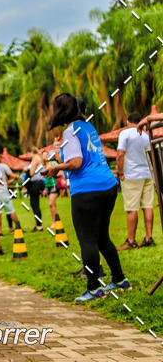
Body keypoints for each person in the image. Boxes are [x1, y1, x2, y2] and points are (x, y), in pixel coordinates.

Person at [46, 93, 130, 303]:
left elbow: (76, 162)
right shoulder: (88, 127)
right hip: (108, 186)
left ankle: (93, 288)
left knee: (88, 241)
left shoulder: (70, 131)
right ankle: (119, 279)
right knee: (102, 238)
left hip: (87, 190)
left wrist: (57, 168)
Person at [117, 112, 155, 250]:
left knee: (132, 208)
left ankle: (131, 241)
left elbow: (120, 154)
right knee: (148, 206)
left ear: (128, 122)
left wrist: (120, 172)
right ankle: (148, 237)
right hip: (147, 173)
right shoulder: (145, 135)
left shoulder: (125, 134)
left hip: (131, 175)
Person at [0, 160, 19, 234]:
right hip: (4, 192)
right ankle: (18, 227)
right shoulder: (3, 166)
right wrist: (17, 176)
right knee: (11, 210)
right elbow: (11, 175)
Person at [26, 147, 45, 232]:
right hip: (40, 182)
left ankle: (39, 226)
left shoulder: (35, 158)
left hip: (35, 183)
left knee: (34, 204)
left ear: (31, 152)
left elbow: (31, 173)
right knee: (36, 204)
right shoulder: (40, 158)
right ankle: (38, 225)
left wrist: (27, 170)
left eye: (28, 153)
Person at [43, 151, 59, 229]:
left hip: (53, 185)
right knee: (52, 205)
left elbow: (60, 172)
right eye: (44, 155)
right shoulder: (45, 164)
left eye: (47, 155)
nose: (45, 157)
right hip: (47, 186)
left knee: (51, 204)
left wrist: (53, 174)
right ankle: (55, 222)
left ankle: (55, 222)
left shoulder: (53, 163)